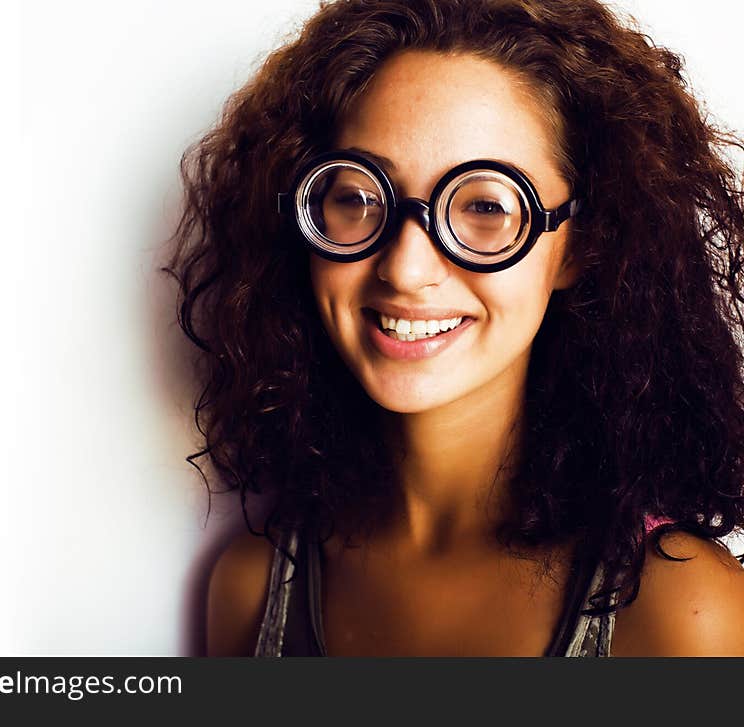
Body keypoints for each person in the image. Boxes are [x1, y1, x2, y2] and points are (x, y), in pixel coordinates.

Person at [163, 0, 744, 656]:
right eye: (356, 198)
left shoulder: (683, 610)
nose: (407, 268)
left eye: (487, 206)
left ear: (584, 246)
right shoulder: (251, 586)